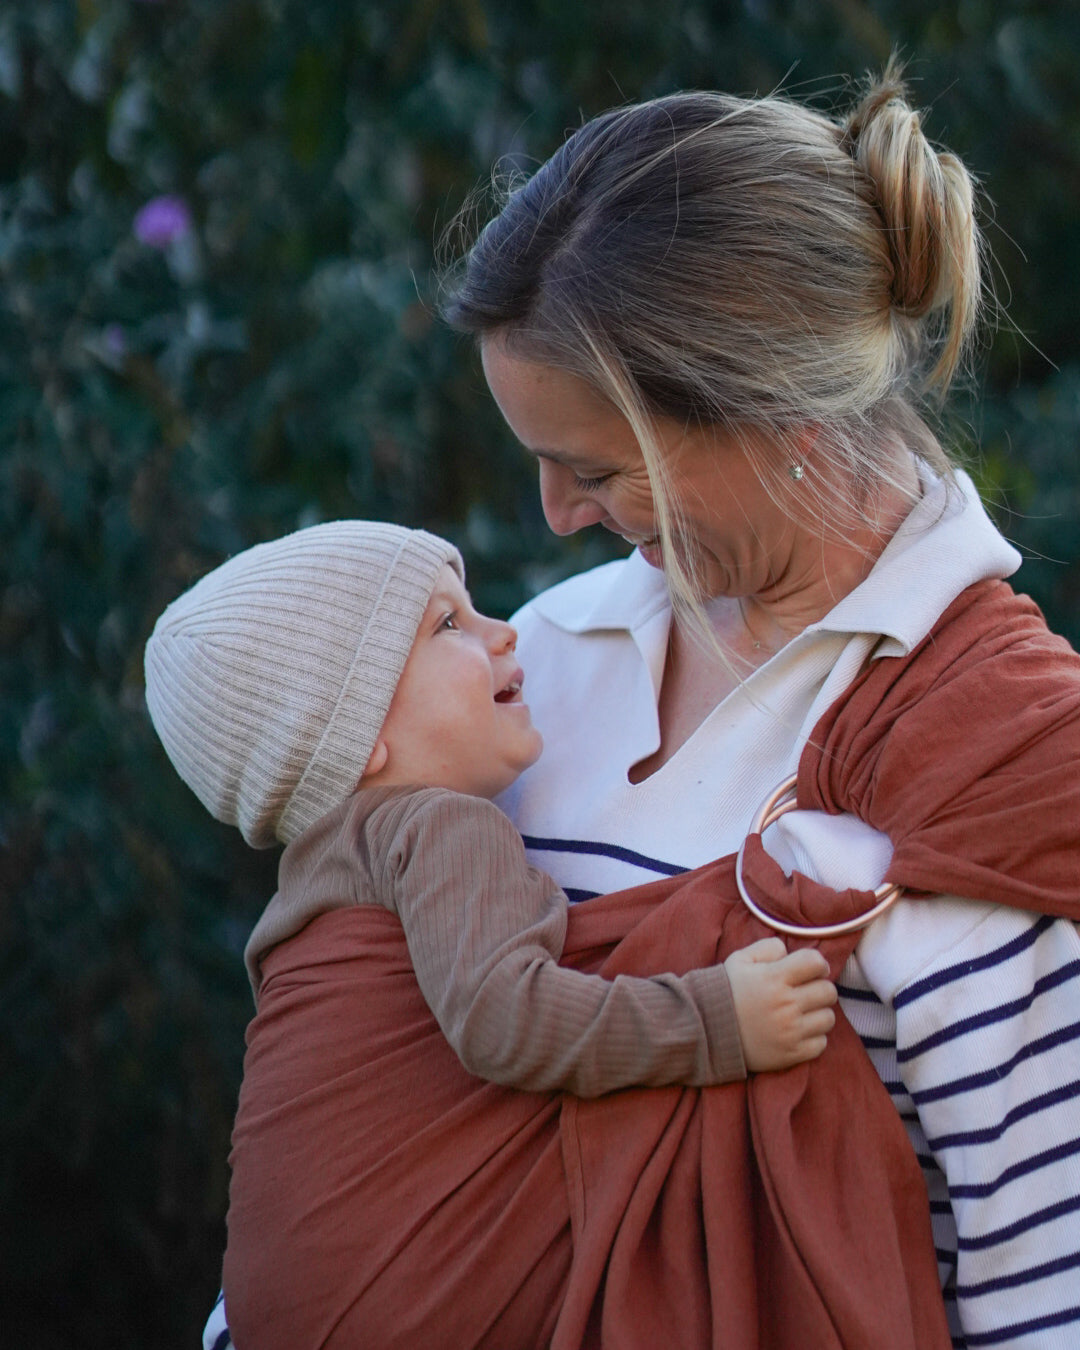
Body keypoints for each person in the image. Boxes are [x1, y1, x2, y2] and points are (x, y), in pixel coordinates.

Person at [196, 64, 1080, 1350]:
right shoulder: (536, 666)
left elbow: (1043, 1294)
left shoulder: (999, 755)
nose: (554, 518)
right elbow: (343, 1134)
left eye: (592, 468)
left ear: (766, 411)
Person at [144, 520, 837, 1344]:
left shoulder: (313, 889)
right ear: (361, 738)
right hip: (406, 1302)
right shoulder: (438, 827)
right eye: (448, 625)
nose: (504, 629)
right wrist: (719, 1022)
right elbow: (507, 1019)